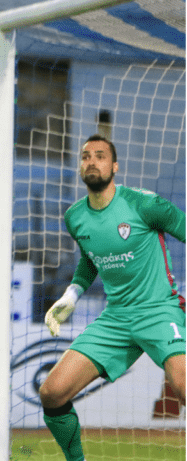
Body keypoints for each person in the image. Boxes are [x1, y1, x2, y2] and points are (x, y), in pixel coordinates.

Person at [40, 134, 186, 461]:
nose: (92, 161)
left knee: (184, 386)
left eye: (100, 156)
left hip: (159, 310)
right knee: (52, 392)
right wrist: (71, 295)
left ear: (115, 166)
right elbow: (90, 258)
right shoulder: (75, 217)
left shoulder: (145, 204)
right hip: (116, 318)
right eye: (86, 156)